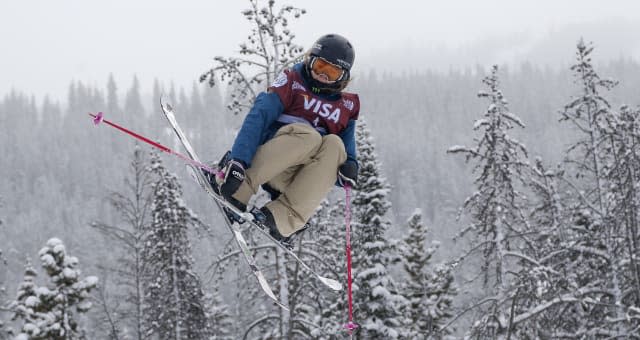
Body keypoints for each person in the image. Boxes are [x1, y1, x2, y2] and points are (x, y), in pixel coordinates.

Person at [210, 33, 360, 245]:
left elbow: (345, 153)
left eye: (332, 72)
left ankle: (283, 218)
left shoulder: (346, 107)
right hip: (272, 157)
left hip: (296, 177)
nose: (324, 76)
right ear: (310, 61)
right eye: (320, 67)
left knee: (335, 144)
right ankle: (236, 187)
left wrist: (350, 167)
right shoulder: (292, 82)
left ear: (343, 77)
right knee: (310, 136)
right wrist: (238, 160)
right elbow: (259, 116)